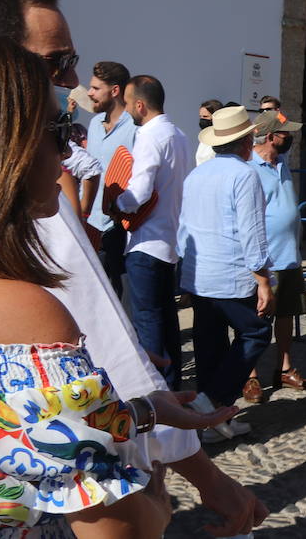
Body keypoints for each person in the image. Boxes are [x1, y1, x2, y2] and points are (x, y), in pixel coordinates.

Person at [0, 0, 266, 535]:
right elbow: (100, 357)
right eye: (56, 64)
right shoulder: (24, 262)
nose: (72, 82)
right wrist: (187, 490)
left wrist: (134, 407)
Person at [178, 105, 275, 443]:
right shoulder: (244, 175)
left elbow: (183, 229)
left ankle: (214, 421)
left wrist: (184, 272)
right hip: (231, 275)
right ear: (247, 141)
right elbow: (252, 232)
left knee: (210, 345)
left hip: (201, 273)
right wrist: (263, 278)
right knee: (257, 332)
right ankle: (211, 402)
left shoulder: (197, 175)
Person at [109, 74, 194, 389]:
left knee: (148, 324)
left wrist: (115, 201)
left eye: (129, 103)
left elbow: (139, 191)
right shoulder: (181, 136)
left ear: (140, 105)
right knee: (168, 323)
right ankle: (172, 387)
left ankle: (156, 392)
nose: (127, 109)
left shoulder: (148, 135)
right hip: (169, 242)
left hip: (146, 242)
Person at [247, 110, 306, 401]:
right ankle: (249, 375)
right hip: (264, 258)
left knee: (286, 314)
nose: (292, 137)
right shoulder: (249, 168)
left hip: (289, 255)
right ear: (270, 136)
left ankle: (283, 367)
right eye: (286, 133)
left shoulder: (281, 161)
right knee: (255, 318)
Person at [86, 60, 137, 294]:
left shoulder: (136, 128)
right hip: (91, 222)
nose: (89, 93)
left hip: (120, 226)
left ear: (115, 91)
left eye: (96, 88)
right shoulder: (94, 124)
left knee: (121, 294)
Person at [195, 98, 223, 165]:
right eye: (200, 117)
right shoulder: (203, 138)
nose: (202, 119)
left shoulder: (222, 140)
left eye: (205, 116)